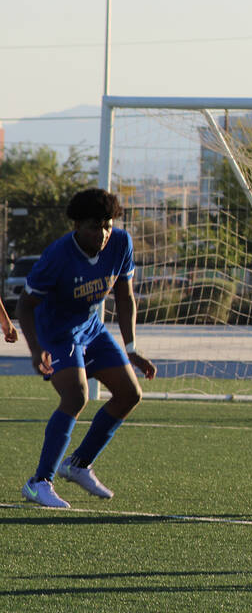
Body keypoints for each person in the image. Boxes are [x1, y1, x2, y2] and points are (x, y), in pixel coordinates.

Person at [16, 188, 156, 509]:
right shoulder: (57, 256)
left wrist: (131, 347)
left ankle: (78, 464)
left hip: (91, 328)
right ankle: (39, 482)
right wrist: (36, 351)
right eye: (95, 226)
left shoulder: (120, 243)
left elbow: (124, 296)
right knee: (76, 396)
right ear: (76, 226)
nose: (103, 233)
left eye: (107, 224)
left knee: (129, 394)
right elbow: (25, 305)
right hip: (56, 332)